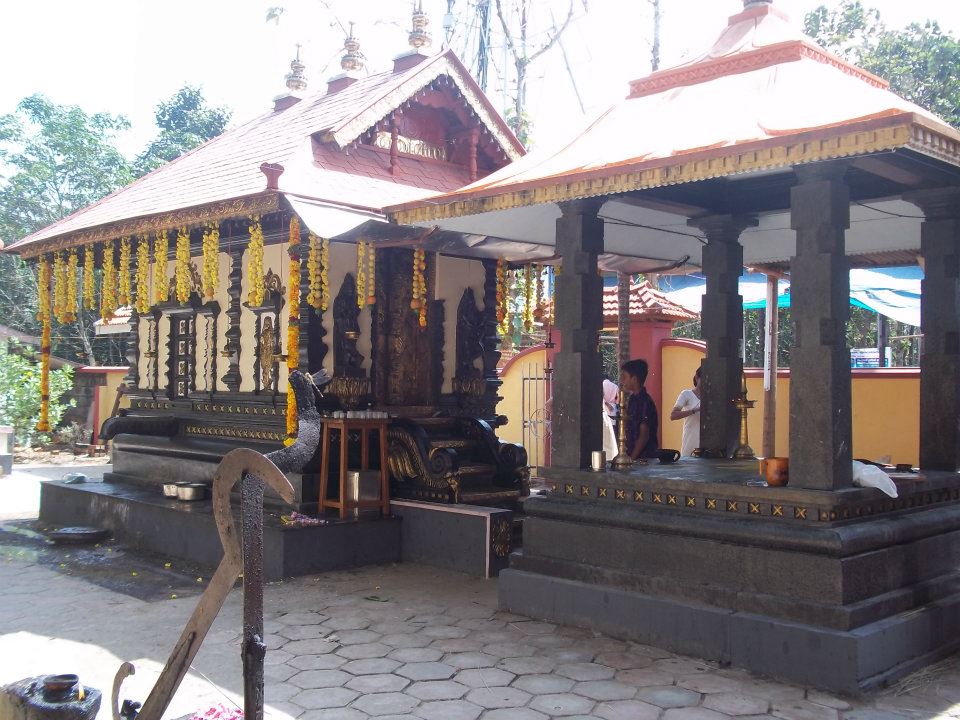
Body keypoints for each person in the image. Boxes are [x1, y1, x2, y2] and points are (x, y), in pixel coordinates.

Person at [620, 358, 659, 461]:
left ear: (634, 379)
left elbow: (644, 436)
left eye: (624, 377)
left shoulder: (645, 401)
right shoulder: (633, 399)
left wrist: (631, 459)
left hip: (644, 457)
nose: (622, 381)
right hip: (632, 453)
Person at [671, 367, 702, 456]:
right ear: (697, 378)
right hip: (690, 443)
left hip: (708, 446)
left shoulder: (712, 397)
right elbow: (673, 415)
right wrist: (695, 410)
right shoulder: (686, 394)